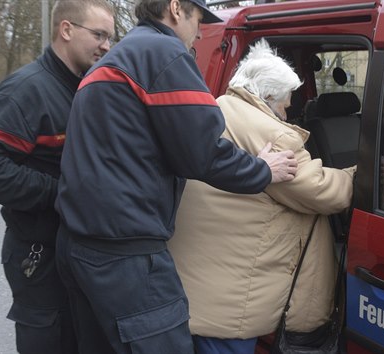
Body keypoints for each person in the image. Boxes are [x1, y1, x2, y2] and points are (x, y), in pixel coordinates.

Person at [54, 2, 298, 354]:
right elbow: (200, 152)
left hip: (80, 246)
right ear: (175, 8)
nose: (200, 32)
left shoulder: (120, 55)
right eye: (199, 19)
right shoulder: (163, 53)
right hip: (126, 256)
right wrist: (263, 170)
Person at [167, 39, 356, 354]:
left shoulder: (219, 107)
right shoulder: (271, 132)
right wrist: (360, 176)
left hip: (200, 285)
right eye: (285, 103)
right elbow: (321, 192)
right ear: (267, 95)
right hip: (230, 304)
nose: (287, 111)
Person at [0, 1, 115, 353]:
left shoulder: (84, 89)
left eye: (110, 38)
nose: (106, 45)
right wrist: (59, 194)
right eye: (99, 35)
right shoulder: (29, 88)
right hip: (39, 258)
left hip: (76, 256)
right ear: (67, 29)